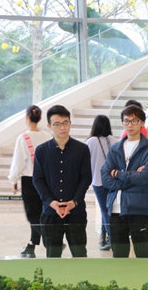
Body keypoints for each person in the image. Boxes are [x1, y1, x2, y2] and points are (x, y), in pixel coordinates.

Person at [32, 105, 91, 258]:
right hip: (50, 212)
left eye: (65, 123)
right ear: (49, 126)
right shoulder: (41, 151)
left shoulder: (82, 149)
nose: (62, 127)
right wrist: (51, 202)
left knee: (80, 255)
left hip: (76, 212)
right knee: (53, 256)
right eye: (57, 124)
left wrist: (74, 202)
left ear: (70, 123)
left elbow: (86, 178)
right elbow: (38, 179)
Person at [101, 104, 148, 258]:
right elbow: (105, 178)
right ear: (122, 123)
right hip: (115, 208)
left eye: (134, 121)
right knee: (119, 255)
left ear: (142, 123)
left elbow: (145, 177)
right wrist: (132, 176)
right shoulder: (115, 148)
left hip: (139, 208)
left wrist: (117, 174)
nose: (130, 125)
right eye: (126, 121)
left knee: (142, 254)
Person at [8, 105, 51, 258]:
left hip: (29, 180)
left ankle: (48, 240)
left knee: (32, 214)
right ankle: (32, 245)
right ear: (40, 118)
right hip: (46, 180)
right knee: (40, 213)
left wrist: (13, 180)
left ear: (27, 118)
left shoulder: (23, 138)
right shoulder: (47, 136)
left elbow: (18, 162)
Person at [85, 115, 117, 251]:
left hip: (98, 180)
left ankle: (112, 239)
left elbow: (86, 162)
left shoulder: (91, 141)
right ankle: (104, 237)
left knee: (104, 210)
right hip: (113, 180)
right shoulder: (113, 140)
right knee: (108, 209)